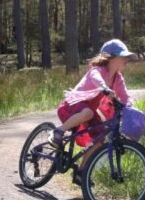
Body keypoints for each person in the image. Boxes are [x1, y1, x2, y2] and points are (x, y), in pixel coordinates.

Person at [51, 39, 137, 184]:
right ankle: (58, 131)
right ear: (111, 58)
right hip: (73, 104)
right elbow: (96, 78)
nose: (126, 60)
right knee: (89, 113)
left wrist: (131, 108)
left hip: (87, 111)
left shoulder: (118, 78)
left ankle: (81, 171)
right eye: (123, 56)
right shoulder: (98, 70)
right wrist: (105, 88)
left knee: (99, 139)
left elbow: (125, 95)